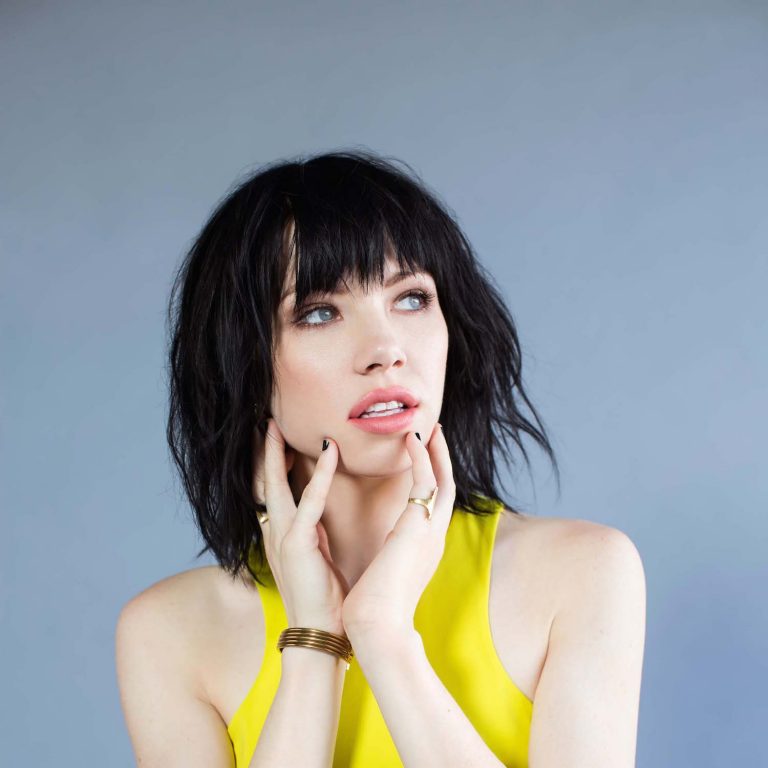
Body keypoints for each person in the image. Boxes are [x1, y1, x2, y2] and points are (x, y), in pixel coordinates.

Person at [115, 149, 646, 767]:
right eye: (319, 312)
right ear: (243, 365)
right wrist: (315, 640)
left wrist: (385, 634)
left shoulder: (580, 572)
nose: (386, 348)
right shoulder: (170, 631)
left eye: (412, 298)